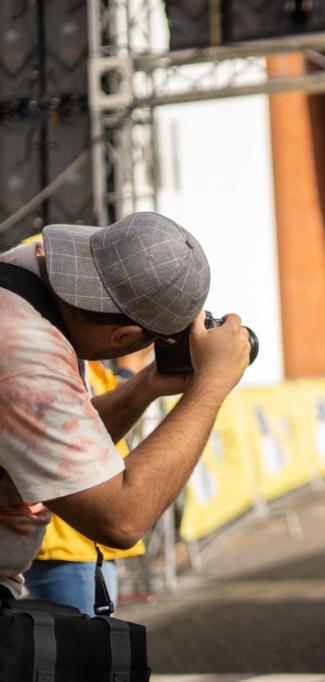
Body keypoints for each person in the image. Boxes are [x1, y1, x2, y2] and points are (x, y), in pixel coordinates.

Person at [0, 211, 251, 602]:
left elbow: (56, 442)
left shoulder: (25, 272)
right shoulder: (30, 357)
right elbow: (121, 517)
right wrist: (211, 386)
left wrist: (144, 386)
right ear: (124, 336)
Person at [23, 360, 146, 614]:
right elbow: (73, 430)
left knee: (88, 646)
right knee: (86, 649)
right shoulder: (53, 343)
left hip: (80, 537)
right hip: (68, 539)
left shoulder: (83, 352)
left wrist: (130, 374)